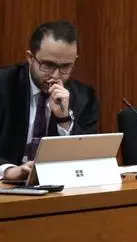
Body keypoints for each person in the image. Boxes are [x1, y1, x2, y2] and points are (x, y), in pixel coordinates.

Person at [0, 21, 100, 182]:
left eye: (65, 67)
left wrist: (64, 119)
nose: (56, 75)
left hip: (59, 188)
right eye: (48, 65)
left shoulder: (84, 97)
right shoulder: (4, 84)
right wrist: (8, 170)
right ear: (30, 58)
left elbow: (88, 157)